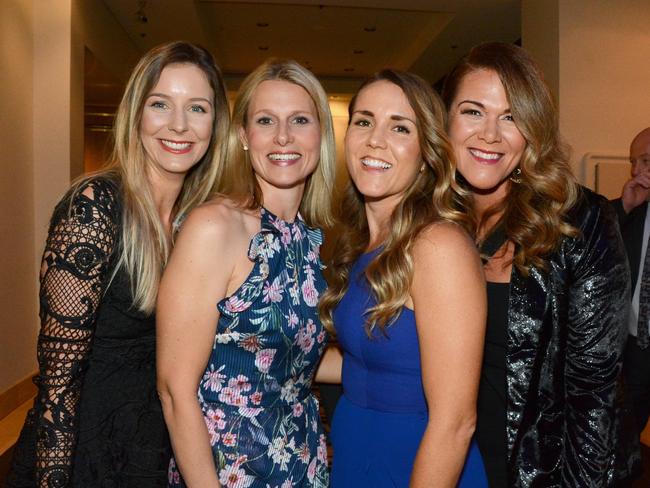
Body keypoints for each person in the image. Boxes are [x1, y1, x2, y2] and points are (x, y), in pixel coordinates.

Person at [5, 41, 229, 488]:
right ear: (136, 114)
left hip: (157, 451)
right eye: (160, 104)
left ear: (215, 123)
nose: (180, 125)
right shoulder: (95, 207)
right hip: (84, 454)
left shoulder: (198, 223)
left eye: (198, 108)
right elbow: (58, 385)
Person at [441, 41, 638, 486]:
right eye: (473, 111)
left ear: (533, 131)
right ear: (445, 120)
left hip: (538, 471)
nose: (490, 134)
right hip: (446, 459)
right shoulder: (427, 220)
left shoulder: (579, 221)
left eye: (511, 117)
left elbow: (594, 397)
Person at [157, 59, 335, 487]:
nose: (283, 137)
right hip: (227, 472)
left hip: (304, 464)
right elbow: (174, 389)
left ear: (321, 135)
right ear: (243, 136)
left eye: (299, 120)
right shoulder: (215, 227)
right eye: (266, 120)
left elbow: (291, 356)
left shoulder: (314, 240)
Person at [318, 69, 488, 487]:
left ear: (427, 152)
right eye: (364, 121)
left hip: (420, 462)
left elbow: (456, 422)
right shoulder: (360, 244)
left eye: (400, 127)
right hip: (358, 449)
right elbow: (369, 361)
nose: (376, 139)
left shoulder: (437, 246)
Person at [612, 127, 650, 439]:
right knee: (624, 436)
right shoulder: (632, 210)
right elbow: (590, 242)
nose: (636, 171)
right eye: (633, 162)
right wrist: (624, 207)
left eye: (645, 161)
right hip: (637, 346)